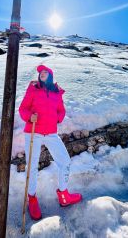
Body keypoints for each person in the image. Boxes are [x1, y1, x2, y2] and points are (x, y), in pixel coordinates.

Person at [19, 64, 82, 220]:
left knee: (65, 162)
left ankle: (64, 194)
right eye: (40, 72)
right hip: (34, 132)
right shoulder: (33, 89)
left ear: (51, 75)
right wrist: (29, 117)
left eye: (45, 72)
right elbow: (23, 109)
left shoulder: (56, 92)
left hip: (51, 133)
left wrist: (57, 118)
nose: (42, 73)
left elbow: (61, 110)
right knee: (32, 166)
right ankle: (32, 198)